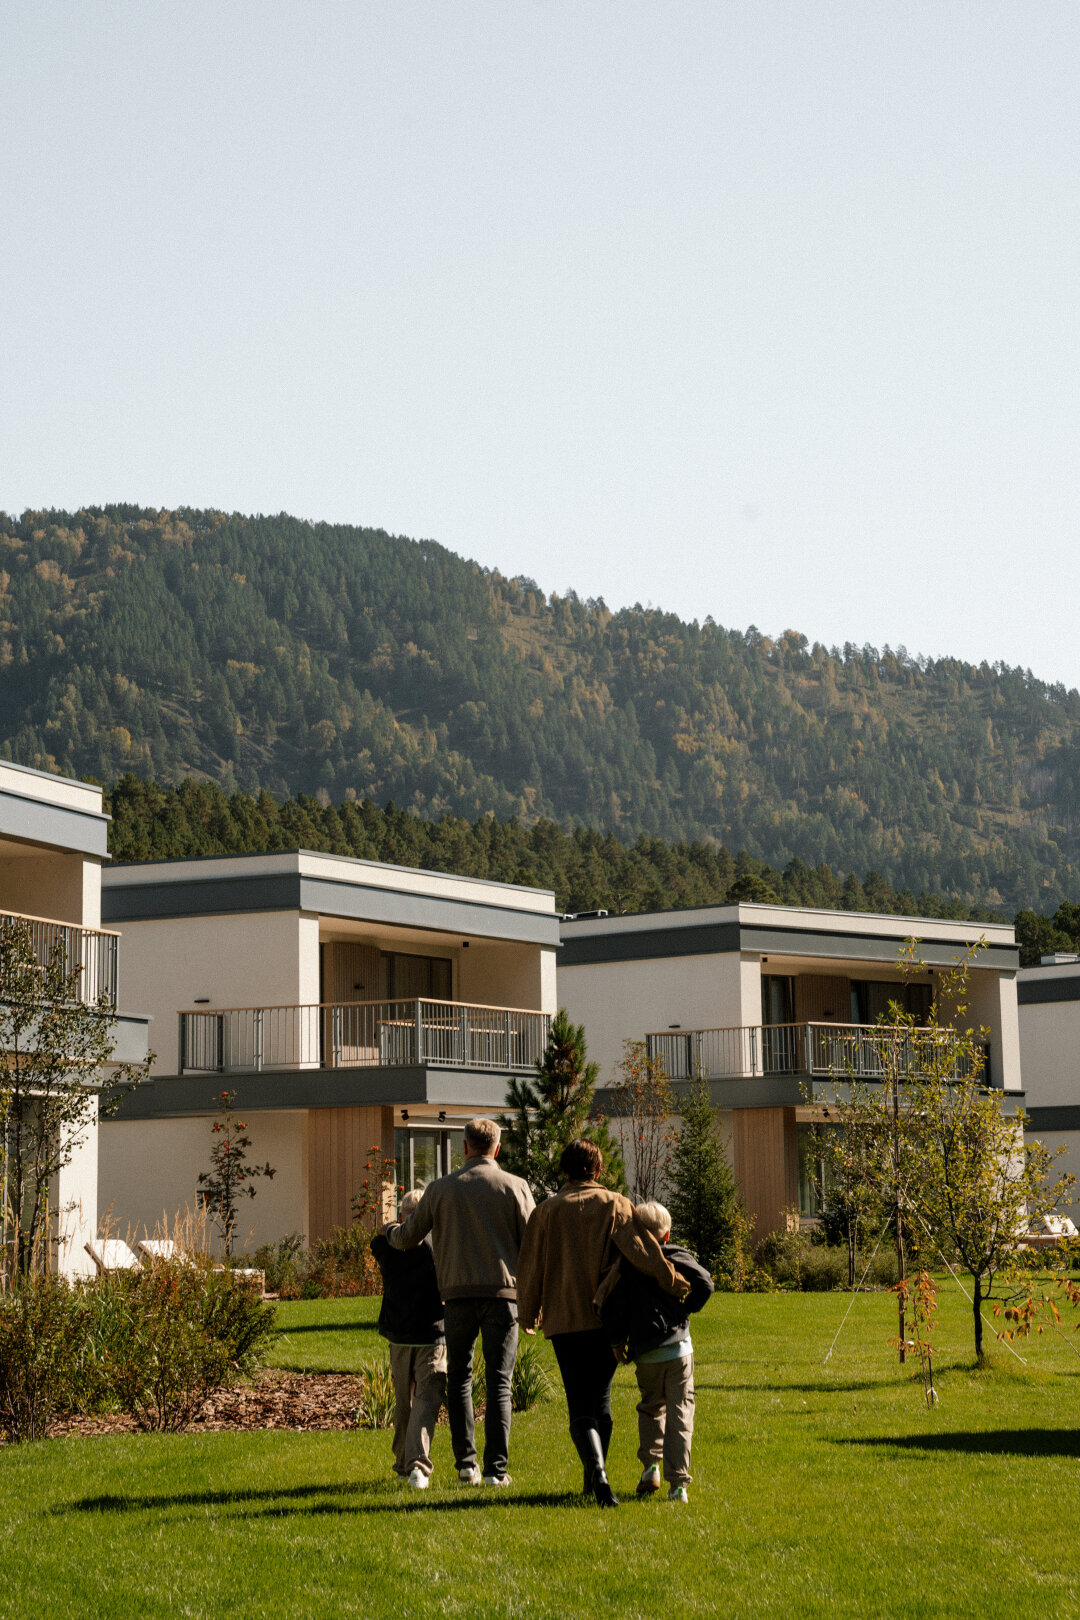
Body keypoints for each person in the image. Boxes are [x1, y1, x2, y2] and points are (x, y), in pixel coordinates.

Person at [516, 1139, 689, 1508]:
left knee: (580, 1402)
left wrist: (527, 1312)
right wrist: (674, 1282)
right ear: (597, 1169)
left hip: (563, 1318)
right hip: (606, 1318)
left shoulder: (545, 1211)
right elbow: (644, 1251)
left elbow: (530, 1266)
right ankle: (596, 1476)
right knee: (602, 1399)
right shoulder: (615, 1204)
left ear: (565, 1169)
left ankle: (595, 1476)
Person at [388, 1117, 534, 1486]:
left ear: (464, 1147)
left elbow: (407, 1238)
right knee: (500, 1382)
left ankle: (467, 1465)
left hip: (456, 1297)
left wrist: (389, 1231)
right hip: (503, 1295)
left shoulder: (440, 1189)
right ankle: (496, 1470)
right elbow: (534, 1245)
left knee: (460, 1380)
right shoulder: (515, 1186)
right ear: (496, 1148)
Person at [599, 1199, 714, 1504]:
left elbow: (614, 1305)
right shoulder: (674, 1255)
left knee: (651, 1408)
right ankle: (678, 1485)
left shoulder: (628, 1263)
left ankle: (651, 1468)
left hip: (646, 1350)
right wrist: (686, 1309)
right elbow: (705, 1283)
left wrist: (617, 1341)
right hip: (678, 1349)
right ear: (667, 1234)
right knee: (680, 1413)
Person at [370, 1187, 447, 1490]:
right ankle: (417, 1465)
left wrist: (392, 1227)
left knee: (404, 1402)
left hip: (399, 1334)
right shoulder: (435, 1245)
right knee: (426, 1399)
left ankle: (403, 1463)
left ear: (402, 1216)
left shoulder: (386, 1247)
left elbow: (377, 1240)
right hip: (432, 1333)